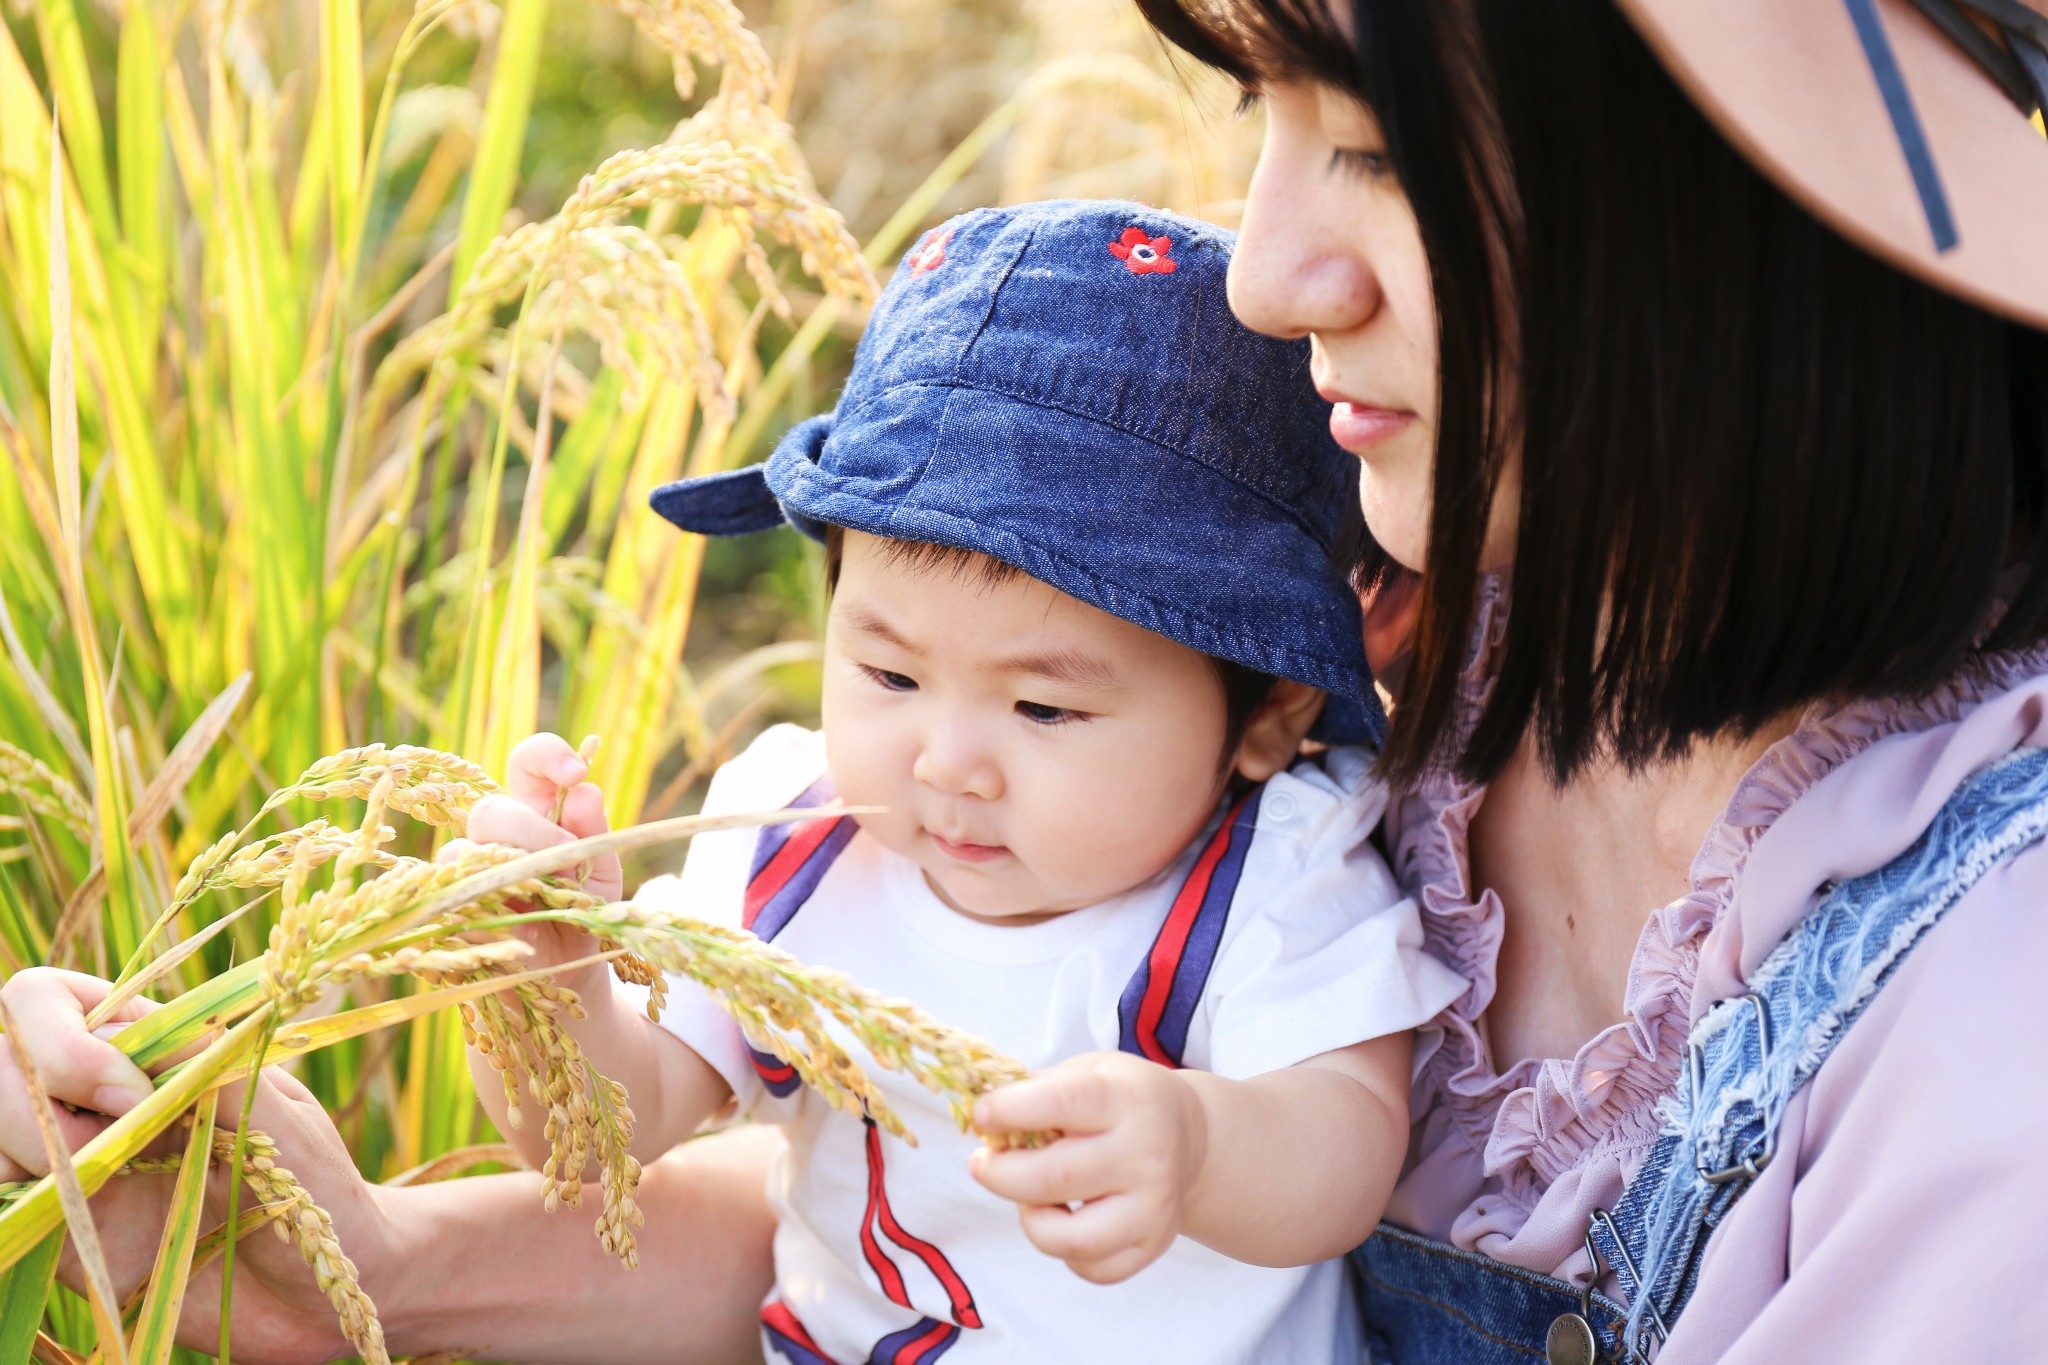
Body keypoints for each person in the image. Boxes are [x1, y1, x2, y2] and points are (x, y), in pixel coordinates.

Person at [7, 1, 2048, 1361]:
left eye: (1388, 156)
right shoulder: (1371, 631)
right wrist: (366, 1260)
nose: (1262, 276)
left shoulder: (1987, 1049)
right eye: (1269, 120)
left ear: (1748, 204)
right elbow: (873, 1194)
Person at [456, 198, 1465, 1364]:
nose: (947, 763)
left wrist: (1195, 1143)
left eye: (1044, 706)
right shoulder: (796, 843)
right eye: (888, 674)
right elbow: (605, 1129)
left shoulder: (1266, 876)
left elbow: (1342, 1150)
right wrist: (543, 986)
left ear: (1267, 711)